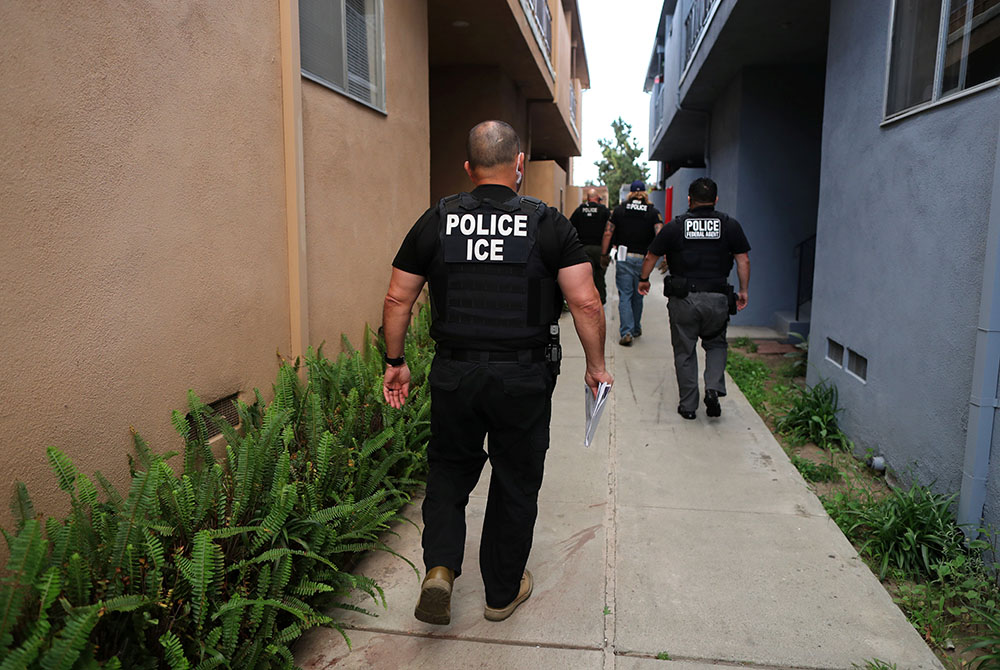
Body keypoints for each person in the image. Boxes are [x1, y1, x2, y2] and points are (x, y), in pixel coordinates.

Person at [381, 120, 613, 626]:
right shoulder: (548, 223)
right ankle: (501, 594)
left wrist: (395, 362)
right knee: (514, 480)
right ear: (520, 165)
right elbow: (586, 302)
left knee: (448, 471)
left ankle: (440, 567)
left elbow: (399, 295)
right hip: (523, 378)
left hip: (454, 374)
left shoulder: (438, 219)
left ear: (469, 168)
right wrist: (596, 366)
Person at [638, 177, 750, 420]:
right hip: (718, 297)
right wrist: (743, 291)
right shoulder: (730, 225)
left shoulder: (675, 226)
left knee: (685, 350)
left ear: (690, 199)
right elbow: (743, 260)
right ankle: (712, 387)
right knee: (716, 344)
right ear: (715, 199)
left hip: (683, 299)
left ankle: (688, 406)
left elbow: (651, 256)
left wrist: (644, 279)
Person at [601, 180, 662, 346]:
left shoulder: (620, 210)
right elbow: (660, 234)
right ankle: (635, 328)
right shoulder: (652, 212)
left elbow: (608, 233)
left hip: (623, 256)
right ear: (644, 192)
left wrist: (604, 254)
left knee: (625, 295)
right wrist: (663, 256)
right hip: (644, 259)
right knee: (638, 294)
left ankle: (627, 331)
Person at [569, 188, 612, 304]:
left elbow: (570, 228)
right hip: (600, 249)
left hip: (583, 250)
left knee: (585, 279)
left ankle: (587, 301)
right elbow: (610, 230)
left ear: (587, 199)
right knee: (599, 276)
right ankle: (600, 301)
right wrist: (607, 251)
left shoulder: (579, 210)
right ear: (597, 199)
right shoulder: (604, 210)